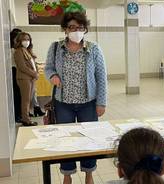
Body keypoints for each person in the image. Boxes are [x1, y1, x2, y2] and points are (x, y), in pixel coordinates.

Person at [45, 11, 107, 184]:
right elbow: (48, 68)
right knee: (66, 139)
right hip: (63, 103)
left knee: (89, 139)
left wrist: (101, 102)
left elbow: (101, 76)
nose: (76, 31)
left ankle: (89, 173)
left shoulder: (94, 48)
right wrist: (52, 77)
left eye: (80, 27)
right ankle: (67, 174)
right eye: (72, 27)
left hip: (88, 103)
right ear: (65, 29)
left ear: (85, 29)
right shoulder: (56, 47)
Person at [14, 32, 38, 126]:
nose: (26, 41)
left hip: (30, 78)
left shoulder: (27, 50)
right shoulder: (19, 51)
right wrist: (34, 74)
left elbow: (32, 64)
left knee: (29, 99)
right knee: (26, 100)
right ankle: (26, 120)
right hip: (24, 78)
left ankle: (26, 117)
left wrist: (34, 74)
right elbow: (22, 67)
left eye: (28, 39)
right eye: (24, 39)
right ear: (20, 40)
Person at [10, 28, 22, 122]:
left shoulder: (19, 49)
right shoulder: (12, 51)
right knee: (17, 95)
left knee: (20, 95)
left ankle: (20, 114)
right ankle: (17, 115)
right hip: (15, 72)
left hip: (18, 72)